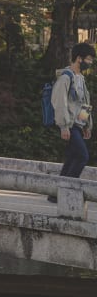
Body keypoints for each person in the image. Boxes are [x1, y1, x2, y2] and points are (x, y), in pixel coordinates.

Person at [51, 42, 95, 194]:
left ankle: (55, 194)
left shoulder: (80, 78)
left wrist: (85, 125)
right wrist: (64, 126)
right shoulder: (65, 77)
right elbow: (59, 102)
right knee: (82, 156)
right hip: (69, 125)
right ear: (79, 58)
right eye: (88, 59)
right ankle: (66, 191)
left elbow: (84, 103)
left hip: (77, 125)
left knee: (71, 158)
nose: (90, 63)